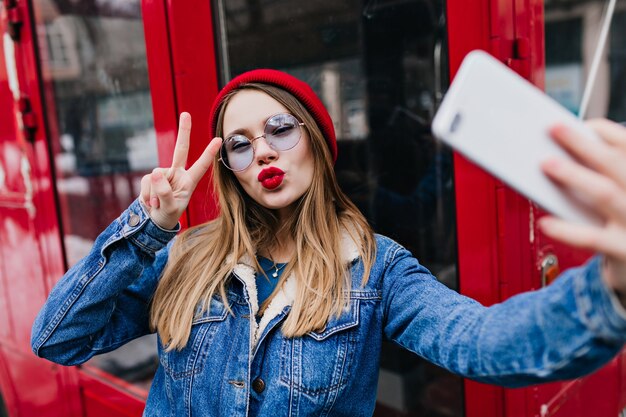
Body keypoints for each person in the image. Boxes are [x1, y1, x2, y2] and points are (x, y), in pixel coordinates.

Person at [31, 69, 626, 417]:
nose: (261, 150)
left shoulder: (376, 270)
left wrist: (612, 287)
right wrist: (150, 227)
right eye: (238, 143)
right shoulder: (185, 258)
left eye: (279, 129)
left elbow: (484, 345)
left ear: (315, 142)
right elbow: (58, 338)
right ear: (231, 169)